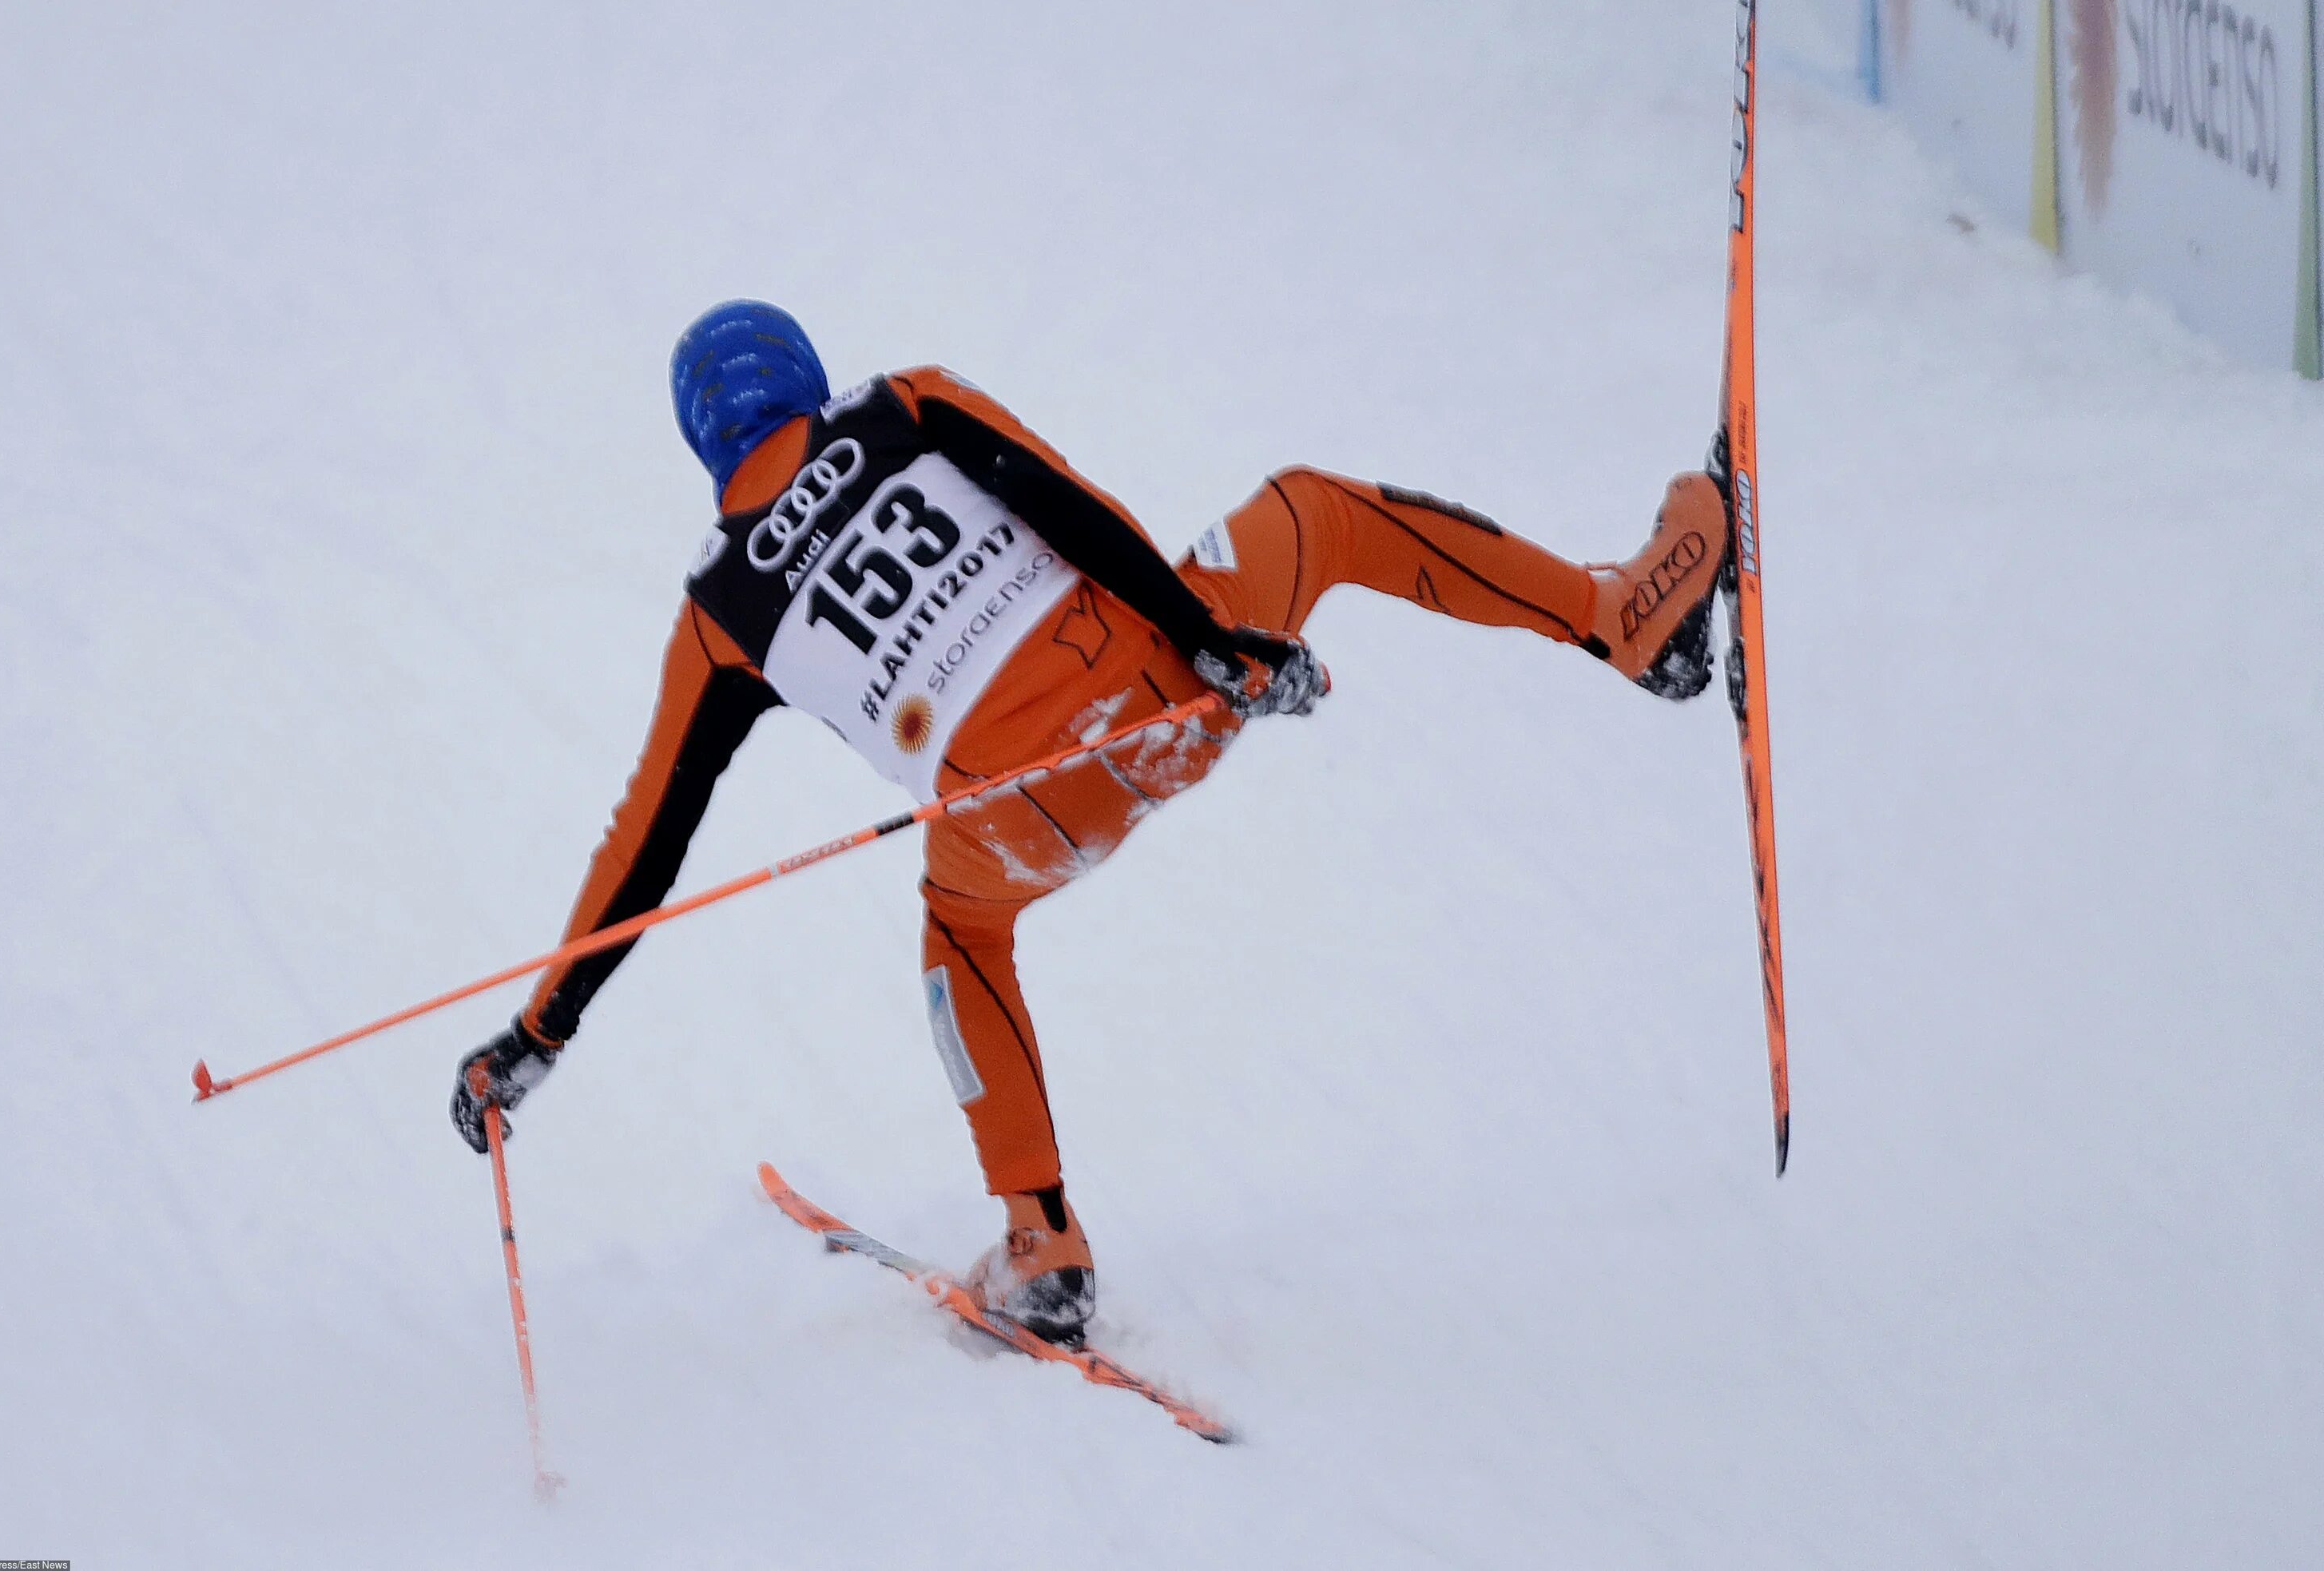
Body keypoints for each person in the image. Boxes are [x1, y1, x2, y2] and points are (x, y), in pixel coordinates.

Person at [451, 300, 1726, 1344]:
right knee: (1316, 511)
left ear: (704, 448)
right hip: (1160, 694)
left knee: (960, 934)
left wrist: (539, 1033)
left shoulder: (716, 614)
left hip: (1019, 819)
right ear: (807, 376)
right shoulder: (904, 404)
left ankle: (1042, 1244)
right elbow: (1068, 504)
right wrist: (1214, 642)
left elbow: (648, 840)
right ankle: (1624, 620)